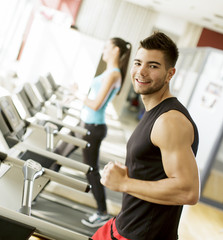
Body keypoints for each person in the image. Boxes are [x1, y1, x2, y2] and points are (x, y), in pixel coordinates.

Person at [93, 32, 200, 240]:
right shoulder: (154, 112)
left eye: (153, 66)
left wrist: (124, 183)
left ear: (170, 74)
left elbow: (188, 191)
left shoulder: (170, 121)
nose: (141, 72)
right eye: (138, 63)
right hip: (123, 225)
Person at [53, 37, 132, 228]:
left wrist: (79, 95)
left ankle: (102, 212)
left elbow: (96, 104)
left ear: (115, 50)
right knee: (56, 156)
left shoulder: (114, 74)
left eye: (107, 46)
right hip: (84, 123)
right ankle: (32, 193)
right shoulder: (109, 72)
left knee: (91, 171)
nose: (103, 50)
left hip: (92, 128)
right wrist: (78, 93)